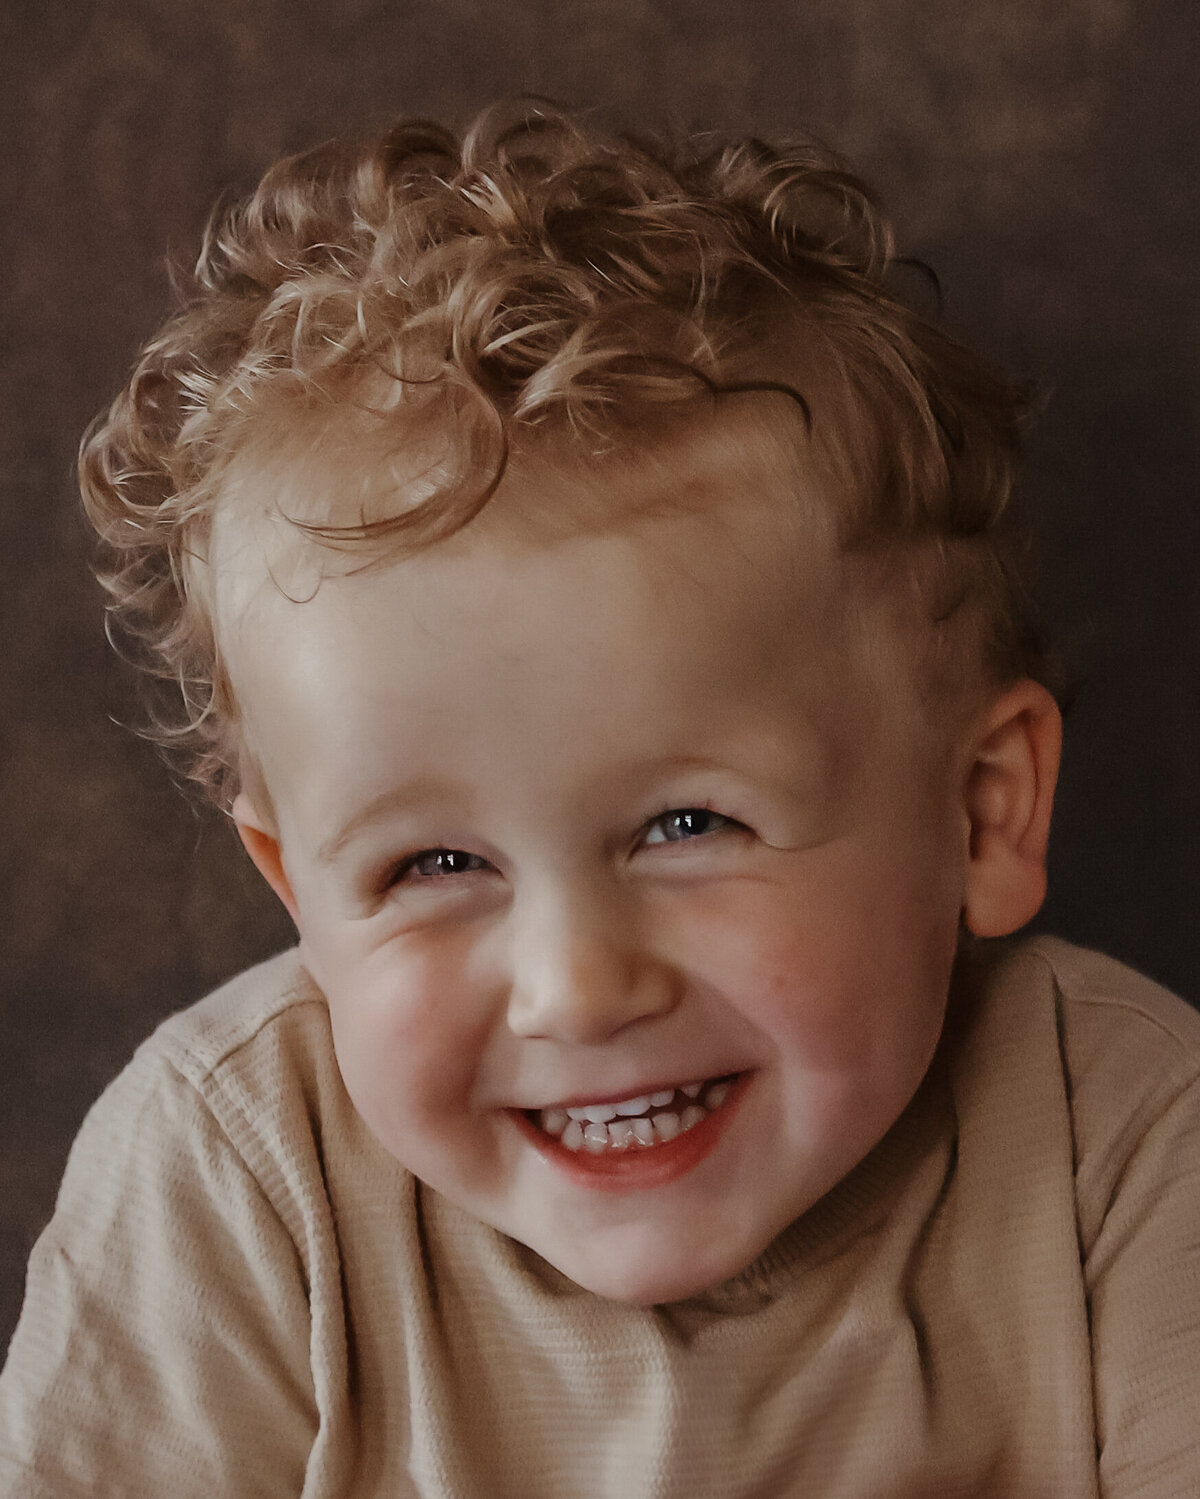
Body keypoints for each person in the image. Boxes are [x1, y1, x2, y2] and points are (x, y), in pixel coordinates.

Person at [1, 101, 1197, 1498]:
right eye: (434, 863)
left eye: (689, 826)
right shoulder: (236, 1182)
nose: (575, 989)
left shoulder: (1118, 1137)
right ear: (298, 895)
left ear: (982, 812)